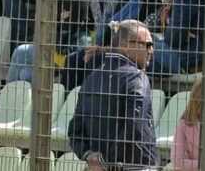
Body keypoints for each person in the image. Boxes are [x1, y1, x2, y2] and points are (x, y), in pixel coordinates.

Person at [68, 19, 159, 171]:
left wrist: (91, 156)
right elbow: (134, 128)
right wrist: (106, 161)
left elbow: (75, 130)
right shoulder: (136, 77)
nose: (151, 50)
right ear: (125, 45)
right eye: (147, 44)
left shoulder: (92, 78)